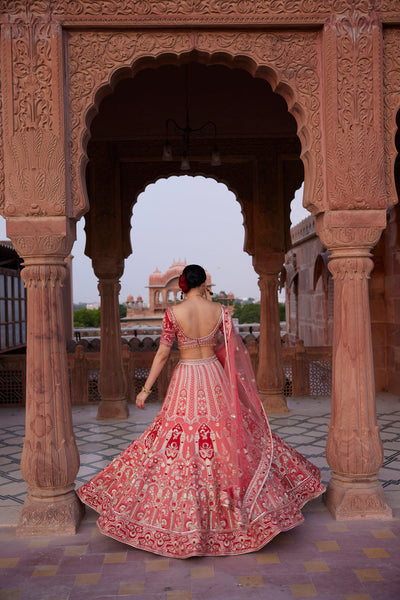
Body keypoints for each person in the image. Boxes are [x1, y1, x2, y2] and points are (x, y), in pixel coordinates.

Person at [77, 264, 325, 558]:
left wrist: (145, 389)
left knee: (177, 441)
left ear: (182, 284)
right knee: (227, 437)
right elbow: (228, 350)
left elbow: (162, 354)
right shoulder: (221, 312)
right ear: (204, 283)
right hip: (213, 375)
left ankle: (183, 519)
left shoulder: (172, 314)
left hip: (187, 377)